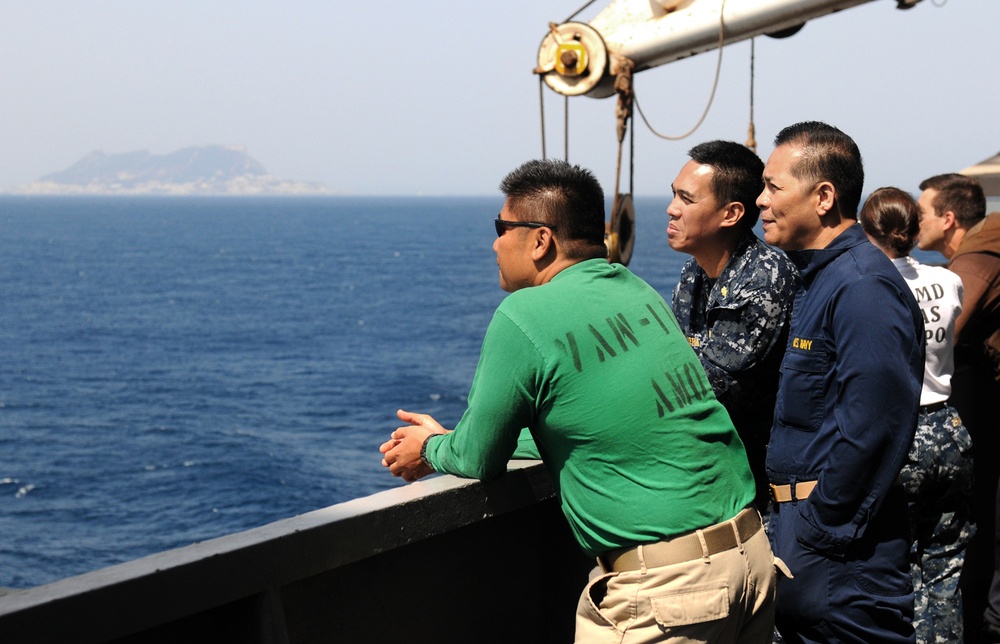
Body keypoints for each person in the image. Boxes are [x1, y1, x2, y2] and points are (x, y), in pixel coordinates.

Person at [380, 158, 777, 643]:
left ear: (541, 240)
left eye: (501, 227)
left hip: (669, 590)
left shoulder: (522, 314)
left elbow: (476, 457)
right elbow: (593, 422)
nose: (494, 243)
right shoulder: (636, 291)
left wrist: (428, 447)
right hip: (750, 561)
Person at [757, 121, 924, 643]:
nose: (761, 200)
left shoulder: (862, 287)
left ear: (824, 196)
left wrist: (818, 533)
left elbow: (874, 426)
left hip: (840, 558)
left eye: (773, 187)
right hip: (805, 538)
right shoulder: (821, 278)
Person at [860, 186, 974, 644]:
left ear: (869, 234)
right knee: (945, 564)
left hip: (900, 431)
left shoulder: (870, 288)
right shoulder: (948, 281)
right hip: (948, 427)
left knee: (893, 564)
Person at [667, 140, 799, 513]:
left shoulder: (762, 278)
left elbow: (707, 388)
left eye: (686, 199)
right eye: (674, 195)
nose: (671, 209)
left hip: (756, 490)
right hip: (712, 474)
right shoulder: (694, 273)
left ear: (731, 214)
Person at [916, 173, 1000, 641]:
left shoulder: (972, 266)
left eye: (922, 211)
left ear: (948, 220)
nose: (914, 220)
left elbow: (939, 338)